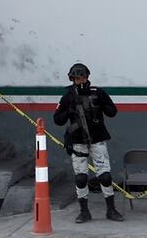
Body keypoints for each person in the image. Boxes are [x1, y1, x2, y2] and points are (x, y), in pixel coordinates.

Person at [53, 63, 124, 223]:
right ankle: (84, 212)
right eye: (78, 78)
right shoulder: (68, 96)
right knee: (81, 178)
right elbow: (57, 119)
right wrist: (69, 110)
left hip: (97, 139)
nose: (81, 81)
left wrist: (100, 103)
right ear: (72, 79)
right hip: (78, 141)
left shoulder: (97, 92)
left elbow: (112, 111)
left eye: (83, 77)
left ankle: (111, 210)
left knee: (105, 176)